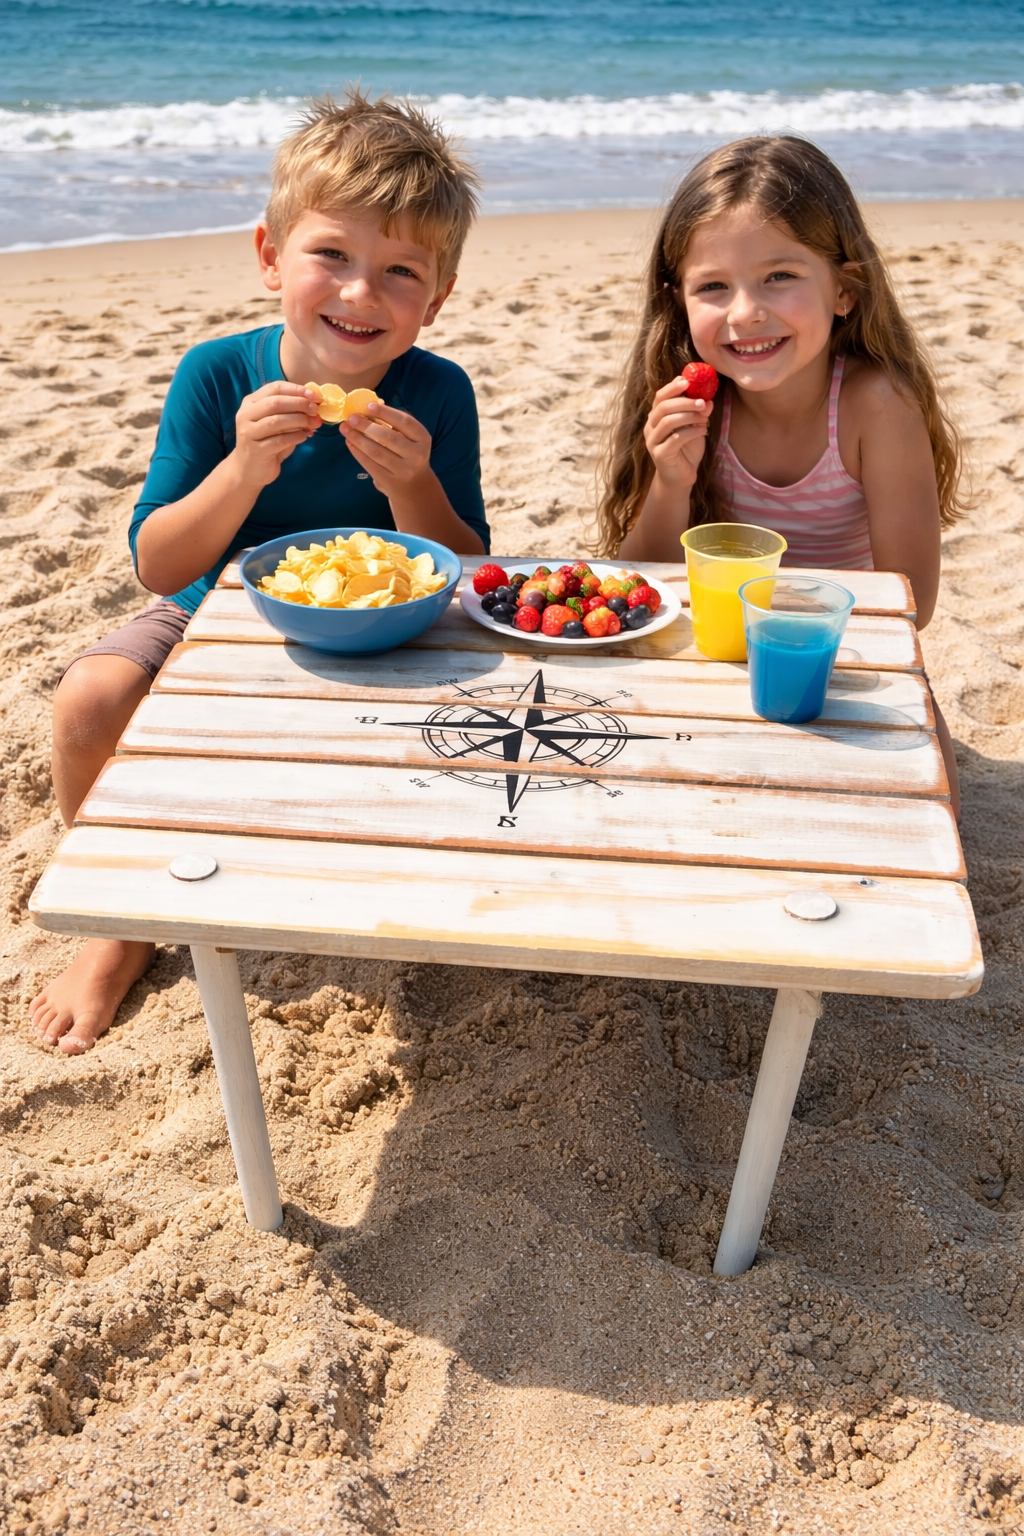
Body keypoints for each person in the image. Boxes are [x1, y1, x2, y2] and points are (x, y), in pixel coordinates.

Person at [31, 91, 488, 1055]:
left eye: (399, 271)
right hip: (212, 617)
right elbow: (160, 563)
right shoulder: (218, 376)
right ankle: (120, 919)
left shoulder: (437, 392)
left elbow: (470, 561)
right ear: (272, 256)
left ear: (436, 298)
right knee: (88, 699)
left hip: (386, 633)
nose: (360, 294)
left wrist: (410, 484)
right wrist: (242, 468)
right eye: (332, 256)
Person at [598, 135, 966, 815]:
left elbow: (912, 604)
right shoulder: (692, 401)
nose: (745, 313)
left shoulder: (875, 406)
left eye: (780, 276)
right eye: (713, 287)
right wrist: (670, 481)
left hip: (842, 653)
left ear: (845, 291)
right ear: (677, 300)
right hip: (719, 655)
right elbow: (636, 590)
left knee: (929, 805)